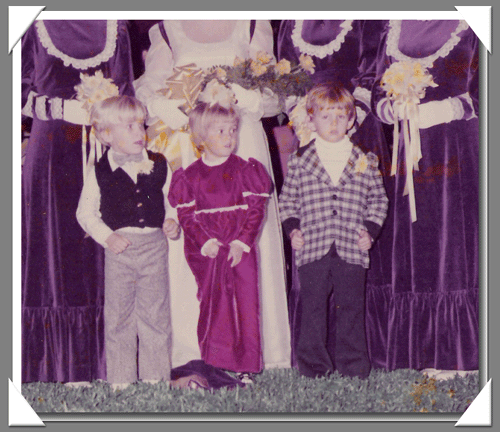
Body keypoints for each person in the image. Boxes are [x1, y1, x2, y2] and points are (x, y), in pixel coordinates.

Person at [134, 20, 291, 370]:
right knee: (196, 239)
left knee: (248, 239)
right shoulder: (167, 27)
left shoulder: (252, 23)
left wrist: (249, 98)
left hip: (240, 138)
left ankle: (261, 349)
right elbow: (148, 86)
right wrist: (161, 105)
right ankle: (193, 347)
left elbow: (275, 94)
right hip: (192, 144)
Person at [21, 20, 134, 384]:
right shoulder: (32, 25)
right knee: (55, 247)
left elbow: (127, 94)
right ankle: (57, 364)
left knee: (102, 248)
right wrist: (57, 108)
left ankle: (105, 362)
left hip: (103, 149)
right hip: (51, 150)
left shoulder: (116, 27)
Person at [276, 20, 392, 368]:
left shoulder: (364, 159)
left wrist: (369, 231)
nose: (333, 123)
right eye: (325, 116)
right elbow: (287, 201)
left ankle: (353, 365)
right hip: (312, 246)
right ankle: (313, 366)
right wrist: (293, 230)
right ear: (311, 119)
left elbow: (379, 200)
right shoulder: (300, 159)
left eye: (340, 117)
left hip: (351, 248)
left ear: (351, 120)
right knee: (312, 309)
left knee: (351, 308)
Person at [367, 20, 479, 374]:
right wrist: (390, 109)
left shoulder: (474, 22)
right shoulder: (395, 24)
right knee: (419, 240)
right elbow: (376, 86)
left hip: (458, 148)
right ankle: (421, 351)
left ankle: (460, 352)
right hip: (409, 152)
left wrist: (451, 108)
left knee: (455, 242)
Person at [76, 95, 178, 390]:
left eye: (141, 125)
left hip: (154, 247)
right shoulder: (98, 170)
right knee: (119, 315)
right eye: (129, 126)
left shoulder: (159, 163)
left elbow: (172, 201)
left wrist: (172, 220)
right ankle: (121, 379)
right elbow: (85, 213)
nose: (139, 132)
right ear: (106, 134)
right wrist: (107, 237)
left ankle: (155, 378)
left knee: (155, 313)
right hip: (119, 252)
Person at [168, 101, 271, 385]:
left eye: (233, 130)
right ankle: (216, 362)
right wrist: (205, 242)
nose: (229, 137)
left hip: (240, 248)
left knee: (246, 304)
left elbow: (256, 211)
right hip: (209, 252)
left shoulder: (245, 170)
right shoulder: (189, 176)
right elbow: (187, 217)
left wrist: (241, 242)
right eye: (221, 131)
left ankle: (247, 365)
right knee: (215, 304)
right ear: (201, 137)